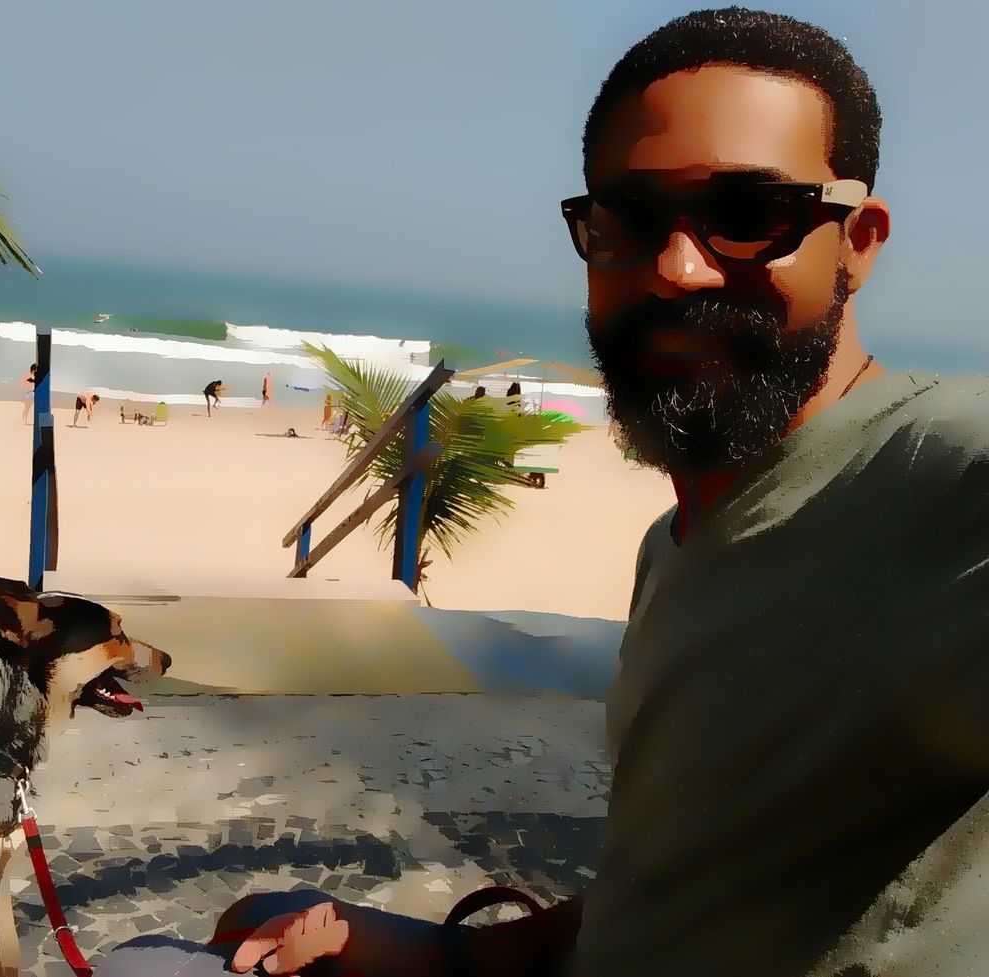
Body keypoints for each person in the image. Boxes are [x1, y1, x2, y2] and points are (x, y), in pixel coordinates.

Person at [98, 8, 989, 977]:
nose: (676, 267)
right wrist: (440, 953)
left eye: (747, 213)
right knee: (252, 912)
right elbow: (675, 889)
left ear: (857, 239)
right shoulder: (675, 546)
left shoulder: (935, 480)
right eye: (631, 219)